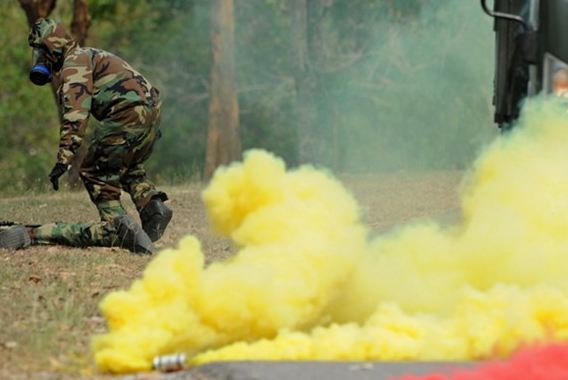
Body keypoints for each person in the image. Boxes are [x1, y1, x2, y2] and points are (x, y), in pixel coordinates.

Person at [0, 18, 172, 254]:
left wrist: (64, 158)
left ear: (51, 49)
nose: (39, 61)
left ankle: (117, 227)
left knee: (94, 171)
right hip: (151, 116)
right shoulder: (90, 54)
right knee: (125, 165)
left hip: (127, 116)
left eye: (40, 53)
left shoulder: (74, 65)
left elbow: (75, 115)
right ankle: (152, 206)